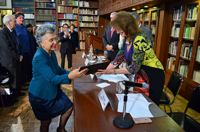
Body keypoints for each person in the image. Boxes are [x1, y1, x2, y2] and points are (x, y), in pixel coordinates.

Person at [28, 24, 88, 132]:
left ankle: (61, 128)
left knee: (69, 107)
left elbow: (58, 70)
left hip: (52, 90)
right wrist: (70, 76)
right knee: (46, 122)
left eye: (55, 39)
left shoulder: (51, 53)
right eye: (51, 40)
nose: (55, 42)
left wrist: (72, 72)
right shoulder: (39, 57)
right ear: (41, 42)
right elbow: (52, 78)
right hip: (41, 95)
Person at [97, 11, 165, 105]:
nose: (117, 32)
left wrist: (112, 72)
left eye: (118, 29)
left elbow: (134, 68)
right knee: (138, 101)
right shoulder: (126, 39)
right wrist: (104, 72)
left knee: (148, 105)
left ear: (126, 26)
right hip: (141, 73)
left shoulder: (140, 38)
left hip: (152, 74)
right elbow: (117, 60)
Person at [0, 15, 24, 98]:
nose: (16, 23)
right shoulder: (2, 33)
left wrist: (21, 54)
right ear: (8, 22)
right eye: (14, 21)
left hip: (17, 58)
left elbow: (18, 44)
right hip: (9, 60)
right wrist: (18, 56)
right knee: (13, 79)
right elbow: (7, 48)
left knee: (17, 77)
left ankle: (17, 92)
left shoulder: (13, 31)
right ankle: (13, 97)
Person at [15, 12, 30, 90]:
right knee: (21, 68)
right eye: (20, 18)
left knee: (26, 67)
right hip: (20, 52)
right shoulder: (14, 28)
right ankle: (21, 83)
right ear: (16, 19)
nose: (22, 19)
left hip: (27, 50)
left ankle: (25, 81)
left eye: (22, 18)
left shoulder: (24, 27)